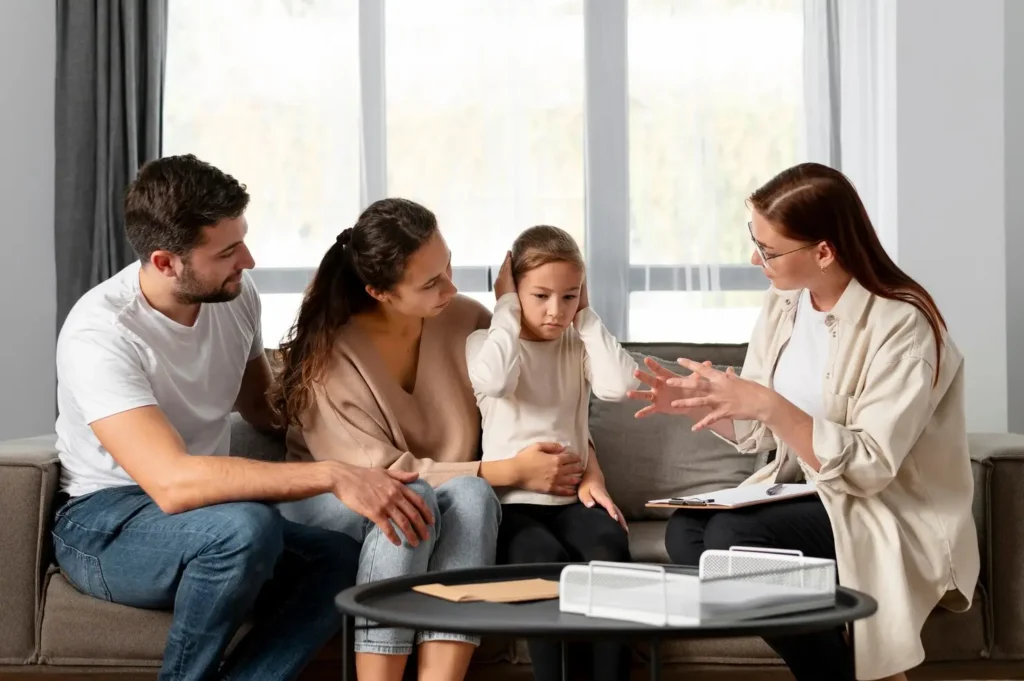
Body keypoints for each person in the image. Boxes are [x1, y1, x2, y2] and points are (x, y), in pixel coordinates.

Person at [52, 155, 430, 681]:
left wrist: (347, 405)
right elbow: (172, 483)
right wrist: (333, 475)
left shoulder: (233, 297)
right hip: (106, 524)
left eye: (243, 240)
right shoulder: (102, 334)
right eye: (227, 251)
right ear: (165, 262)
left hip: (209, 514)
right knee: (243, 526)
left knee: (340, 560)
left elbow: (260, 407)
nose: (247, 261)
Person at [627, 162, 979, 681]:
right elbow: (757, 434)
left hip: (880, 509)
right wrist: (703, 401)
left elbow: (871, 468)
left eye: (768, 250)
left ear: (823, 251)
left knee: (728, 542)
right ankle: (851, 667)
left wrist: (769, 403)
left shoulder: (903, 325)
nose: (755, 258)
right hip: (810, 495)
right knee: (689, 534)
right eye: (755, 240)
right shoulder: (784, 305)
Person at [273, 199, 585, 681]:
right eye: (430, 282)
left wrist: (507, 308)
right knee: (411, 495)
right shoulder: (329, 358)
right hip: (337, 500)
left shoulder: (464, 319)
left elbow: (554, 391)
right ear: (379, 291)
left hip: (445, 490)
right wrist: (510, 472)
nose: (452, 287)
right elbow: (377, 478)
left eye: (448, 268)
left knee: (474, 494)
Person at [466, 225, 639, 681]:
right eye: (540, 295)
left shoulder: (577, 344)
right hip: (511, 505)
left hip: (572, 497)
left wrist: (587, 318)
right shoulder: (484, 345)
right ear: (514, 289)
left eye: (568, 296)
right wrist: (504, 306)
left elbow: (621, 387)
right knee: (542, 563)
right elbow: (496, 382)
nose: (554, 310)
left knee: (609, 549)